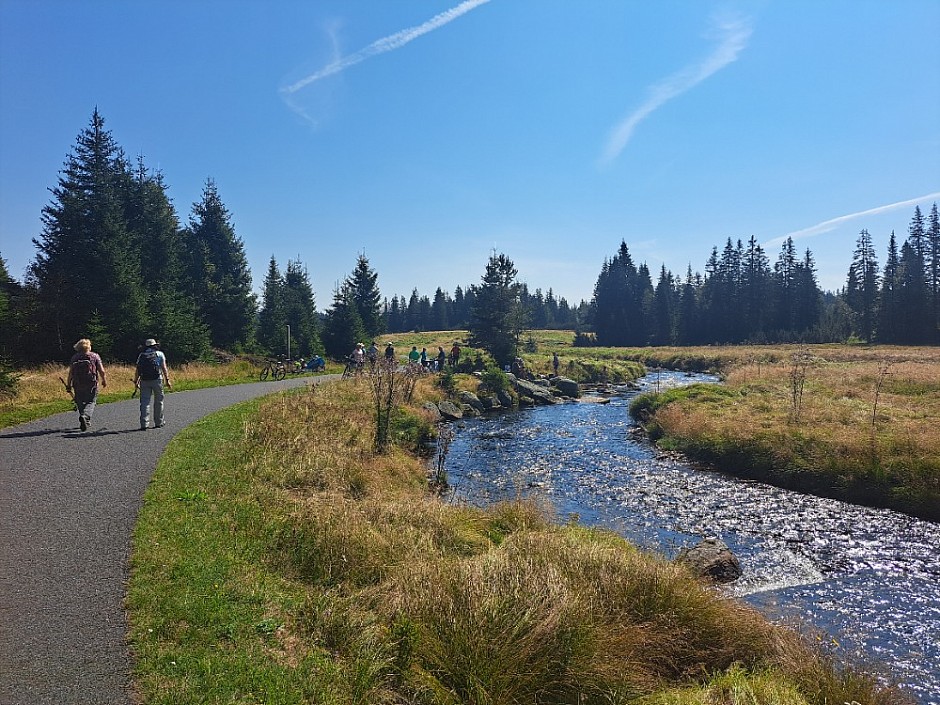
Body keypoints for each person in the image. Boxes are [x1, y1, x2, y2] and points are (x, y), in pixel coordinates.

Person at [65, 338, 107, 431]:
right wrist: (104, 380)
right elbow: (102, 371)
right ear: (89, 347)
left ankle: (84, 419)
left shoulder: (75, 358)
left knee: (80, 401)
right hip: (91, 383)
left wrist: (68, 384)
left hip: (77, 383)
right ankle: (85, 416)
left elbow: (71, 373)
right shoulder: (95, 356)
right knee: (91, 401)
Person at [134, 338, 172, 430]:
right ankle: (159, 422)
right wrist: (167, 380)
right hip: (157, 379)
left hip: (144, 380)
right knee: (159, 401)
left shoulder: (141, 355)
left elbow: (138, 370)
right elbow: (164, 368)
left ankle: (144, 424)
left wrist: (136, 381)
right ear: (155, 345)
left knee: (145, 402)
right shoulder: (159, 354)